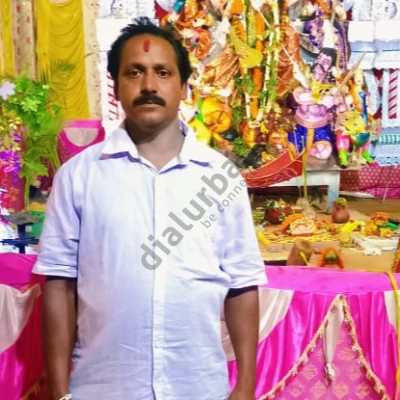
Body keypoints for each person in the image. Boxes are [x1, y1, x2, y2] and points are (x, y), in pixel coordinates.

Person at [33, 17, 266, 400]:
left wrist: (245, 387)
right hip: (104, 388)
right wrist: (59, 392)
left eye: (163, 72)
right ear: (115, 85)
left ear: (184, 86)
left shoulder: (220, 177)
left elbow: (242, 283)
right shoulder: (79, 176)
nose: (149, 86)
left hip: (198, 387)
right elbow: (59, 284)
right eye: (134, 72)